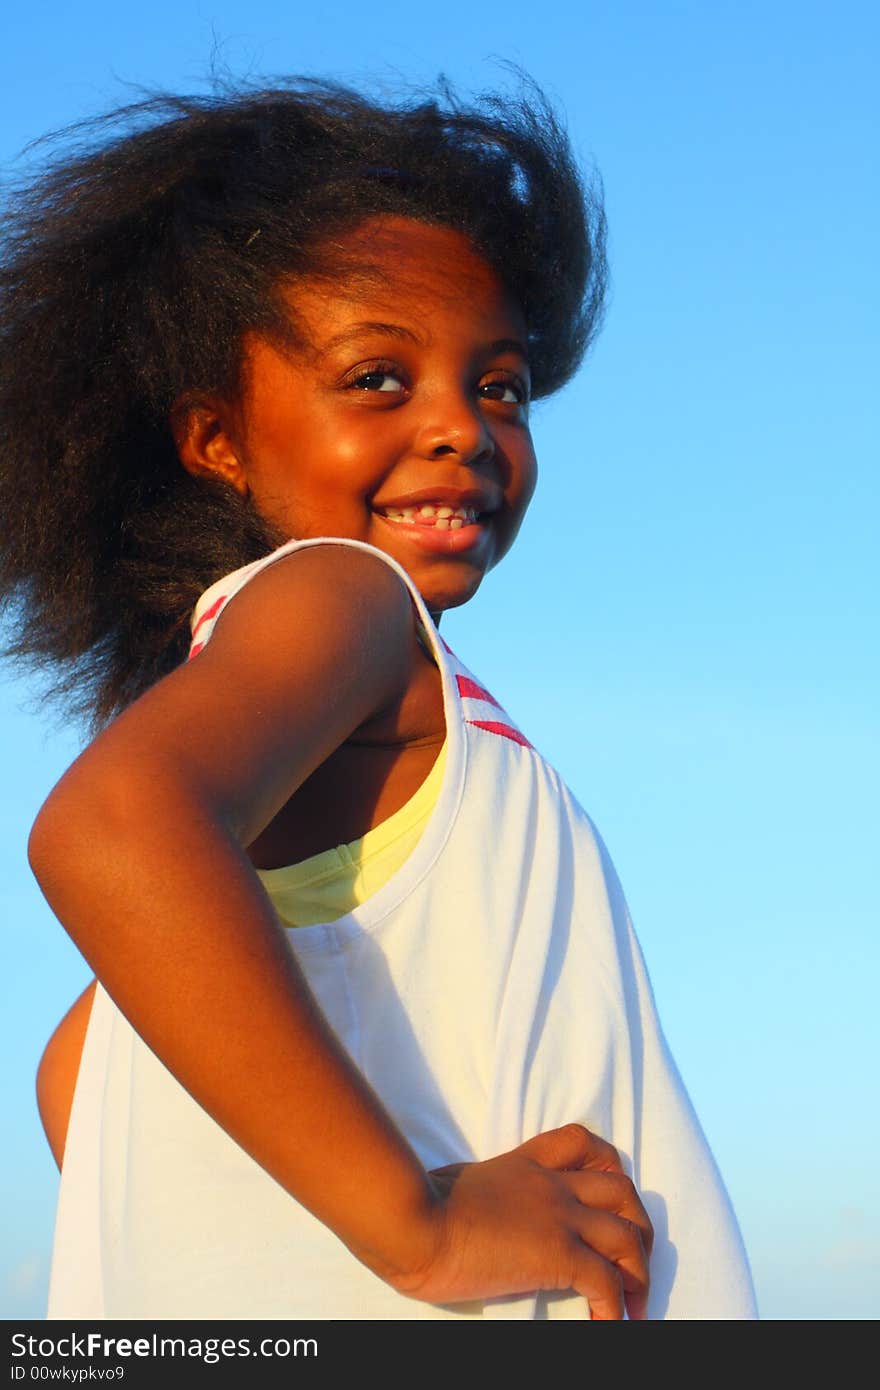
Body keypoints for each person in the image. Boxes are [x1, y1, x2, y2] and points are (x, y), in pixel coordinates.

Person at [0, 77, 756, 1320]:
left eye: (498, 386)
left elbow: (80, 1079)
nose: (460, 426)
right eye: (377, 379)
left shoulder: (326, 709)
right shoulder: (342, 598)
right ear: (218, 441)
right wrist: (422, 1225)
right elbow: (112, 829)